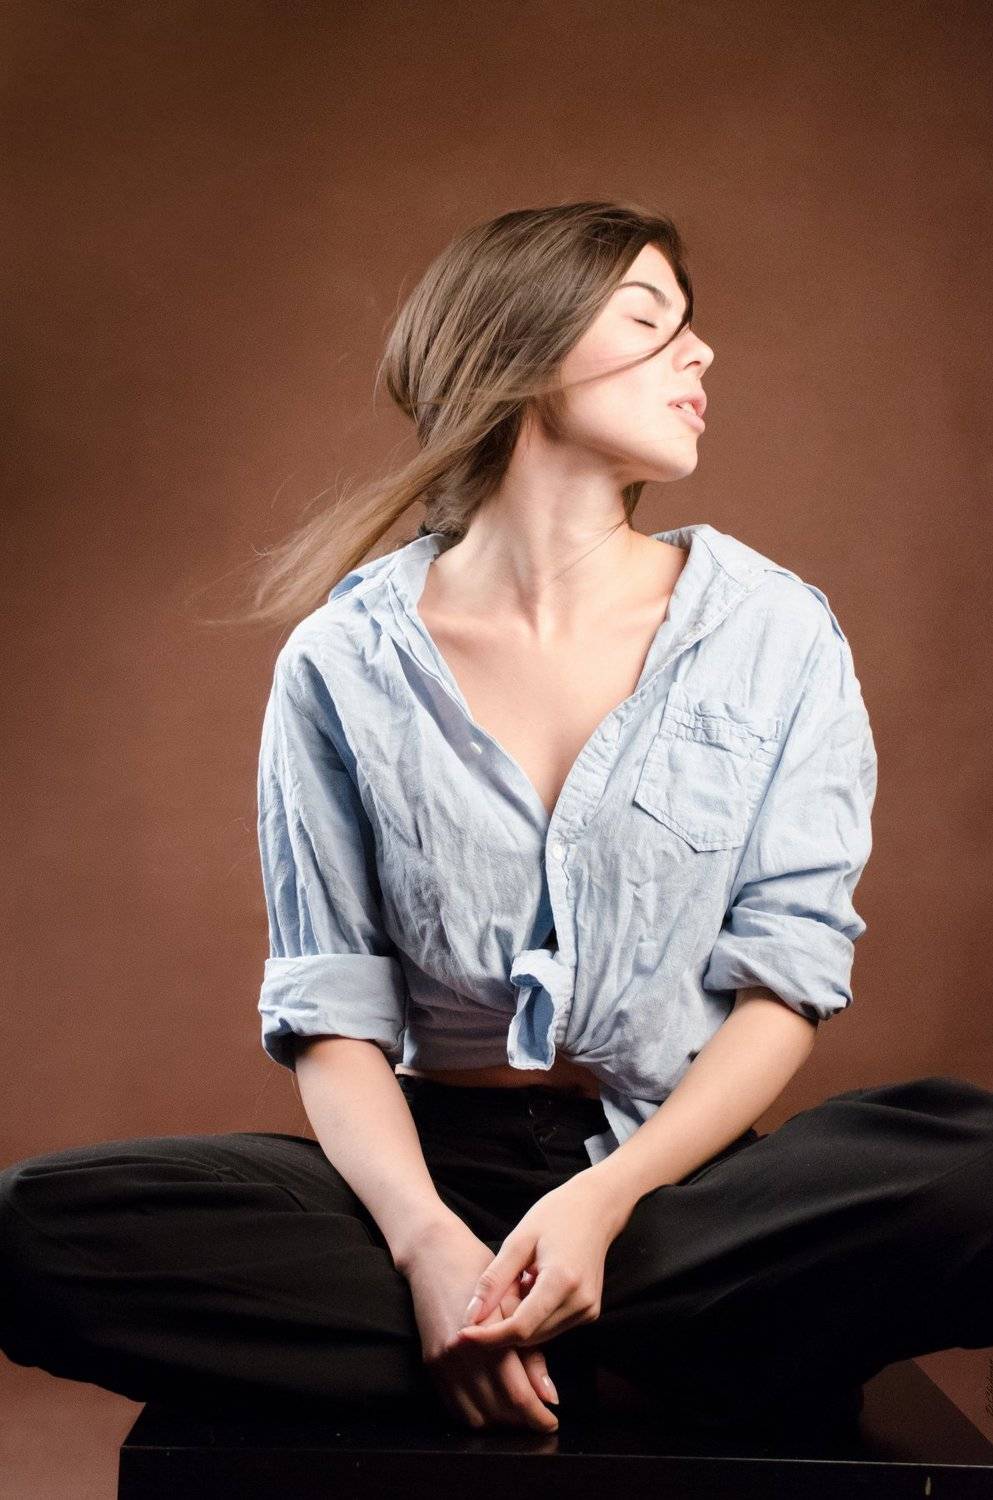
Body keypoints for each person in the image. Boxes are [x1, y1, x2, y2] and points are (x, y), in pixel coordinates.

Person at [2, 200, 992, 1448]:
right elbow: (333, 1010)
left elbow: (787, 982)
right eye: (651, 319)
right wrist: (425, 1243)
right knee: (31, 1224)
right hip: (430, 1177)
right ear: (520, 348)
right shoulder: (342, 661)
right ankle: (667, 1348)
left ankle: (520, 1337)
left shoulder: (777, 633)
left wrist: (605, 1201)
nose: (701, 352)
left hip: (686, 1181)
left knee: (971, 1167)